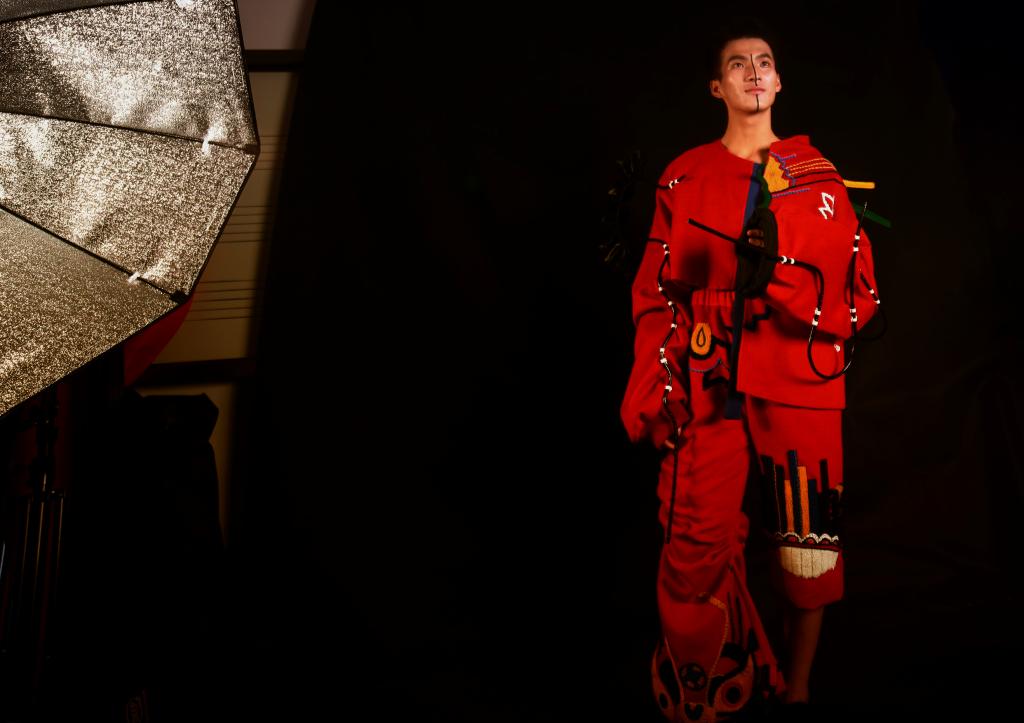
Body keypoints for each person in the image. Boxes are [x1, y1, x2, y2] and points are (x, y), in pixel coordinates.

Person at [619, 18, 881, 721]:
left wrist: (792, 288)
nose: (754, 71)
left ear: (780, 81)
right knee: (694, 537)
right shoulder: (684, 175)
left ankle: (797, 690)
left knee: (807, 547)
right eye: (738, 63)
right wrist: (663, 377)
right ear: (717, 87)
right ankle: (707, 690)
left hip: (797, 374)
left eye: (764, 61)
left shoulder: (820, 177)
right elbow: (656, 292)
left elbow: (858, 289)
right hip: (711, 379)